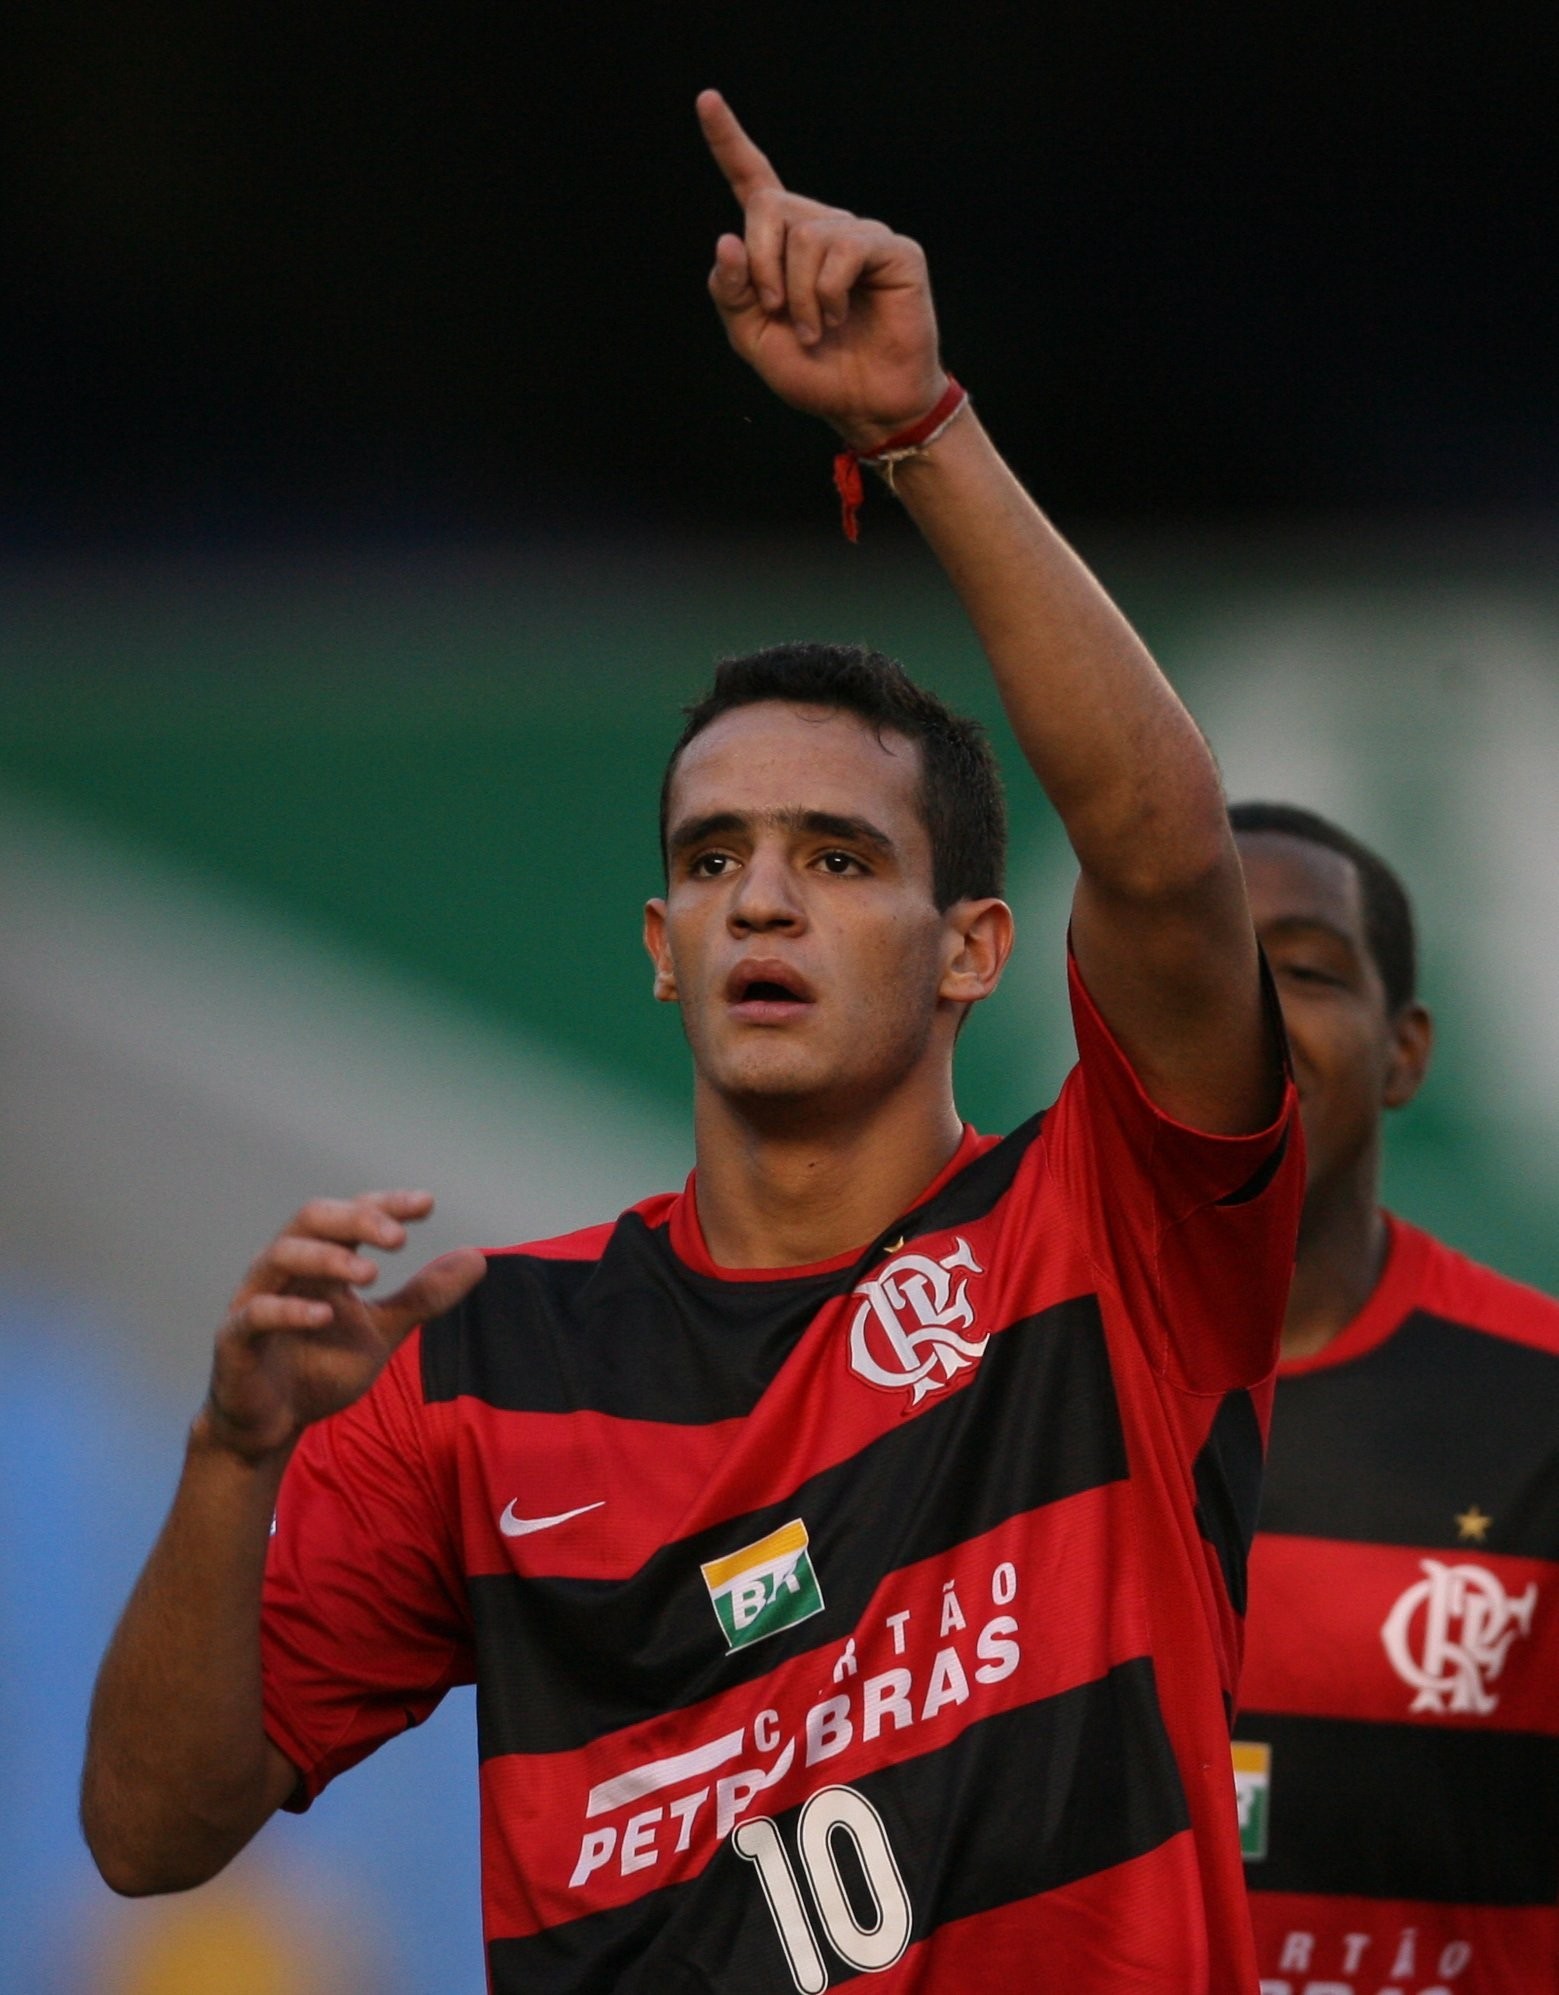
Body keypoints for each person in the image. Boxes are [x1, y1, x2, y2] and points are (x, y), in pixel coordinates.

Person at [81, 94, 1303, 1992]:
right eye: (713, 860)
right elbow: (150, 1832)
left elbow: (1159, 859)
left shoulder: (1109, 1240)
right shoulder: (480, 1367)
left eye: (835, 859)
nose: (760, 901)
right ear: (657, 949)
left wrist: (918, 428)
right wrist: (234, 1456)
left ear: (975, 945)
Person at [1229, 802, 1559, 1995]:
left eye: (1306, 970)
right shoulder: (979, 1388)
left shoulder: (1540, 1403)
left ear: (1403, 1050)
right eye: (1195, 964)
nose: (1246, 1010)